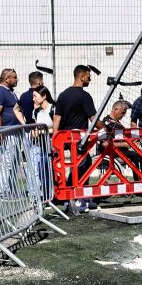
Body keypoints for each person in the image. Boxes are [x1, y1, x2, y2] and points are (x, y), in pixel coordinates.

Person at [53, 65, 98, 212]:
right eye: (88, 76)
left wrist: (55, 138)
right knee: (82, 165)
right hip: (79, 140)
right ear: (81, 76)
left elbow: (57, 119)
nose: (90, 79)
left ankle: (73, 196)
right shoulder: (84, 96)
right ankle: (77, 197)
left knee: (77, 166)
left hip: (64, 139)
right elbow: (93, 118)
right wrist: (105, 127)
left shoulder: (63, 95)